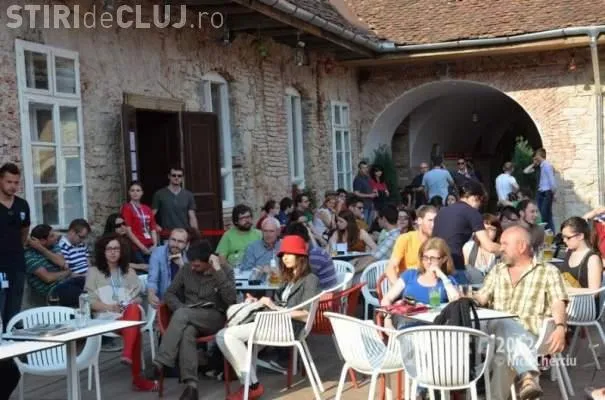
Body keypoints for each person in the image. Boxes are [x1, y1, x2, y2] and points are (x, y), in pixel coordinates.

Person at [217, 235, 321, 400]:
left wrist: (275, 308)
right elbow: (279, 303)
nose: (284, 257)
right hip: (274, 322)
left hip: (290, 327)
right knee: (222, 335)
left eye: (289, 253)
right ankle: (251, 383)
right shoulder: (288, 278)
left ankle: (251, 386)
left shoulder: (310, 279)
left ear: (300, 256)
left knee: (228, 335)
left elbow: (306, 315)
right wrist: (257, 302)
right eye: (283, 254)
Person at [473, 226, 568, 400]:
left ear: (522, 246)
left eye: (505, 244)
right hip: (496, 336)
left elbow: (558, 301)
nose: (500, 248)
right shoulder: (498, 270)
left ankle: (519, 381)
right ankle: (528, 377)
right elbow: (482, 296)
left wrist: (561, 327)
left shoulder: (547, 271)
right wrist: (468, 297)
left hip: (532, 336)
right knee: (504, 323)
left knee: (503, 355)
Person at [153, 240, 236, 400]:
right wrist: (180, 309)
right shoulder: (186, 269)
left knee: (183, 316)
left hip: (214, 317)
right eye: (191, 263)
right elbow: (169, 293)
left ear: (208, 261)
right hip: (188, 316)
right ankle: (191, 387)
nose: (192, 267)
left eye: (197, 265)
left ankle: (162, 361)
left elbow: (231, 299)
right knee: (187, 333)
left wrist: (218, 271)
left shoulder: (225, 270)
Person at [85, 234, 158, 391]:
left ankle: (127, 353)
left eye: (116, 249)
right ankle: (138, 378)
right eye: (109, 249)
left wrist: (130, 302)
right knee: (134, 328)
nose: (113, 252)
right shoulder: (93, 272)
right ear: (102, 251)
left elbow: (139, 297)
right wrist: (110, 307)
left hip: (129, 312)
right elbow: (91, 302)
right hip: (107, 317)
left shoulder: (128, 271)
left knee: (133, 310)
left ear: (122, 251)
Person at [381, 237, 459, 329]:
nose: (428, 262)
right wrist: (387, 318)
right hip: (406, 325)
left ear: (444, 259)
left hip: (434, 327)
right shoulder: (410, 275)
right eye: (425, 258)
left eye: (433, 258)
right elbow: (387, 298)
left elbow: (457, 303)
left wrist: (442, 276)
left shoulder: (447, 281)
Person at [432, 181, 500, 284]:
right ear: (475, 198)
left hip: (434, 263)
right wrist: (506, 248)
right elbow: (488, 246)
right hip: (454, 265)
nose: (480, 206)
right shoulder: (472, 213)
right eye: (481, 202)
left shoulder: (442, 211)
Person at [0, 162, 30, 327]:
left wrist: (19, 248)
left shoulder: (22, 205)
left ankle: (12, 339)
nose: (13, 186)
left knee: (14, 308)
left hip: (17, 264)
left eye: (16, 182)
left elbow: (24, 230)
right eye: (9, 182)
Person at [25, 224, 85, 307]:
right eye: (52, 236)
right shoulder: (29, 256)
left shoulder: (53, 246)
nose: (56, 237)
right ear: (42, 240)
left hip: (68, 282)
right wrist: (67, 272)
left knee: (89, 283)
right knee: (81, 295)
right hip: (53, 291)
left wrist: (41, 248)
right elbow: (48, 278)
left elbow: (62, 263)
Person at [386, 205, 437, 284]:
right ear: (419, 221)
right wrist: (399, 288)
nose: (433, 225)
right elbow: (391, 268)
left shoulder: (438, 242)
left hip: (430, 286)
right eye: (430, 220)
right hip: (407, 286)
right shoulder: (406, 239)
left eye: (436, 221)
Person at [283, 222, 337, 290]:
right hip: (323, 291)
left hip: (323, 294)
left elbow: (297, 283)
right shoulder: (316, 252)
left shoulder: (314, 256)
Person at [557, 217, 603, 291]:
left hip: (584, 299)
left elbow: (594, 291)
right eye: (563, 237)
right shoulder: (569, 252)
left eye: (568, 237)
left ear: (580, 236)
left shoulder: (593, 259)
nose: (564, 240)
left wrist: (566, 290)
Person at [147, 228, 190, 307]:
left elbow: (192, 286)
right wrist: (151, 294)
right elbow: (153, 279)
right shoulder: (158, 253)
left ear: (186, 244)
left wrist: (181, 266)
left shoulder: (189, 257)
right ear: (168, 240)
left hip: (183, 303)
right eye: (173, 240)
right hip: (163, 302)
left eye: (180, 241)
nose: (175, 244)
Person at [121, 181, 159, 264]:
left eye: (138, 190)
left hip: (150, 245)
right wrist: (142, 247)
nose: (135, 193)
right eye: (132, 190)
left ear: (142, 193)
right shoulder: (127, 208)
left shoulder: (147, 209)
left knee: (153, 268)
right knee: (142, 270)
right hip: (136, 247)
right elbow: (128, 231)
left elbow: (153, 228)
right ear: (129, 192)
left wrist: (155, 244)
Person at [152, 166, 198, 231]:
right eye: (174, 175)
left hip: (184, 233)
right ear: (169, 176)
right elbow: (151, 215)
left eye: (179, 176)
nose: (176, 177)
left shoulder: (189, 195)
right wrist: (155, 225)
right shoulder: (159, 194)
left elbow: (192, 216)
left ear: (182, 178)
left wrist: (195, 233)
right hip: (167, 233)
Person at [524, 148, 556, 232]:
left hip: (547, 192)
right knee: (542, 214)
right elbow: (526, 171)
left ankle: (548, 233)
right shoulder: (538, 167)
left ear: (539, 155)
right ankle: (547, 233)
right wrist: (533, 164)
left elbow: (551, 180)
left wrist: (553, 193)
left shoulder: (547, 165)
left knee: (545, 214)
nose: (534, 158)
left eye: (536, 156)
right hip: (540, 192)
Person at [462, 214, 502, 279]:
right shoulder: (468, 247)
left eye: (491, 229)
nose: (487, 232)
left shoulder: (502, 250)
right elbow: (465, 273)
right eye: (483, 229)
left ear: (497, 232)